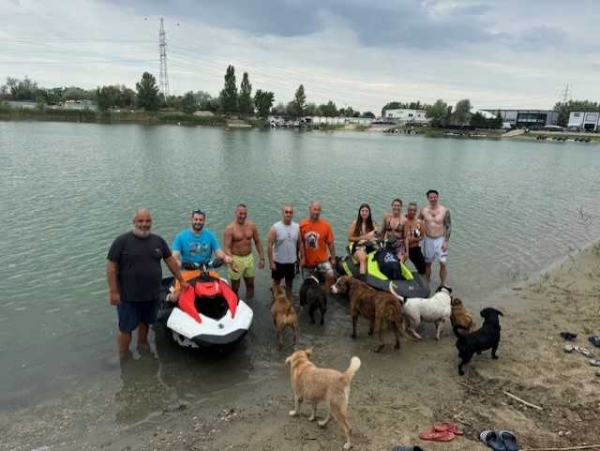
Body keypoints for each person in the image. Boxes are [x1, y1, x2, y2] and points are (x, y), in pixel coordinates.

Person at [106, 209, 188, 356]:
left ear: (151, 222)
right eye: (141, 221)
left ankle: (142, 344)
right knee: (125, 328)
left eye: (147, 221)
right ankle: (123, 354)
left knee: (145, 322)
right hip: (128, 296)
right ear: (134, 222)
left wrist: (181, 280)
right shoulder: (122, 241)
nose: (144, 224)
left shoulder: (158, 241)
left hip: (152, 294)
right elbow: (111, 267)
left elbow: (170, 261)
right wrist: (113, 292)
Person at [169, 209, 235, 302]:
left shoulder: (210, 235)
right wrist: (177, 262)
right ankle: (168, 297)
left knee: (225, 288)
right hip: (188, 271)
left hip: (206, 271)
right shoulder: (180, 237)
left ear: (204, 221)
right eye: (196, 219)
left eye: (200, 220)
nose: (198, 222)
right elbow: (174, 256)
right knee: (174, 298)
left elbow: (219, 252)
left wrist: (226, 258)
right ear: (191, 220)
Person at [223, 204, 265, 299]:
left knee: (251, 285)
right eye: (240, 213)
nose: (243, 216)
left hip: (249, 258)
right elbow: (226, 247)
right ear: (235, 213)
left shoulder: (251, 225)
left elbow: (257, 241)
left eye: (245, 214)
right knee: (235, 288)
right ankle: (236, 304)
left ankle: (250, 304)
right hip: (235, 258)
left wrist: (262, 258)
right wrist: (232, 262)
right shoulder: (230, 229)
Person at [267, 205, 302, 299]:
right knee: (276, 284)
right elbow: (269, 245)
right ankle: (274, 301)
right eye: (286, 212)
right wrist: (271, 262)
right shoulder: (275, 228)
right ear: (282, 213)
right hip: (278, 261)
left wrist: (302, 257)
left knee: (289, 284)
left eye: (290, 212)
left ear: (293, 214)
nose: (288, 214)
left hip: (291, 262)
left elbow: (300, 243)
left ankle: (289, 301)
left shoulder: (297, 227)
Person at [299, 201, 336, 287]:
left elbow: (330, 243)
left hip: (323, 261)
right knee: (308, 286)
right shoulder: (302, 225)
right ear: (310, 209)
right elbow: (299, 243)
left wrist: (333, 258)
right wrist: (299, 258)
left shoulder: (326, 226)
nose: (316, 212)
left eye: (318, 210)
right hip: (307, 263)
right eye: (314, 209)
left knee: (330, 279)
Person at [419, 190, 451, 285]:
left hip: (440, 239)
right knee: (428, 263)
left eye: (434, 197)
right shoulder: (423, 211)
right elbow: (417, 223)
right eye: (431, 197)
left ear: (437, 197)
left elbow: (449, 227)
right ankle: (427, 283)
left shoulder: (445, 211)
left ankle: (443, 284)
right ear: (428, 198)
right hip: (428, 239)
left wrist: (446, 241)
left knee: (443, 263)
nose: (433, 199)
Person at [347, 203, 378, 278]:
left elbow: (378, 235)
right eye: (363, 211)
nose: (364, 213)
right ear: (360, 212)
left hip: (370, 246)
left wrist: (374, 236)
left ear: (369, 213)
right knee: (363, 258)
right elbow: (350, 238)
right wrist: (363, 238)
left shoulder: (373, 223)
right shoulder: (355, 223)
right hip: (358, 247)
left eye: (366, 211)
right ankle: (362, 281)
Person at [379, 198, 409, 262]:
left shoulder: (404, 220)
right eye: (395, 205)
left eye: (398, 206)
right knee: (384, 261)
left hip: (399, 246)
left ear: (401, 207)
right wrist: (381, 245)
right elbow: (382, 231)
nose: (396, 207)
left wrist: (407, 252)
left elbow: (406, 237)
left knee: (400, 260)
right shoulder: (386, 217)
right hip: (388, 244)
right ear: (392, 206)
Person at [404, 202, 426, 274]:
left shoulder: (420, 223)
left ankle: (420, 279)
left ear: (416, 211)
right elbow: (405, 238)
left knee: (422, 266)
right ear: (407, 210)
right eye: (410, 210)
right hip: (403, 247)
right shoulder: (404, 220)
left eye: (414, 210)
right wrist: (407, 252)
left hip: (414, 248)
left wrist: (414, 239)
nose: (412, 212)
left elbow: (422, 236)